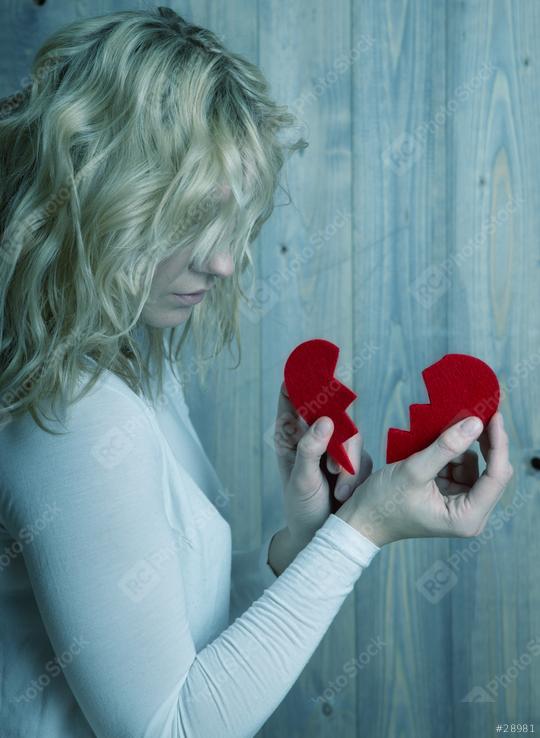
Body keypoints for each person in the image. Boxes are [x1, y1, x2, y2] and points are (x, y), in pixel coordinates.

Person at [0, 7, 513, 738]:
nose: (224, 262)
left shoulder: (133, 368)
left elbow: (177, 644)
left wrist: (303, 543)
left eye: (234, 223)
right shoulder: (71, 411)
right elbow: (173, 727)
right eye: (187, 220)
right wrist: (362, 531)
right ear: (94, 192)